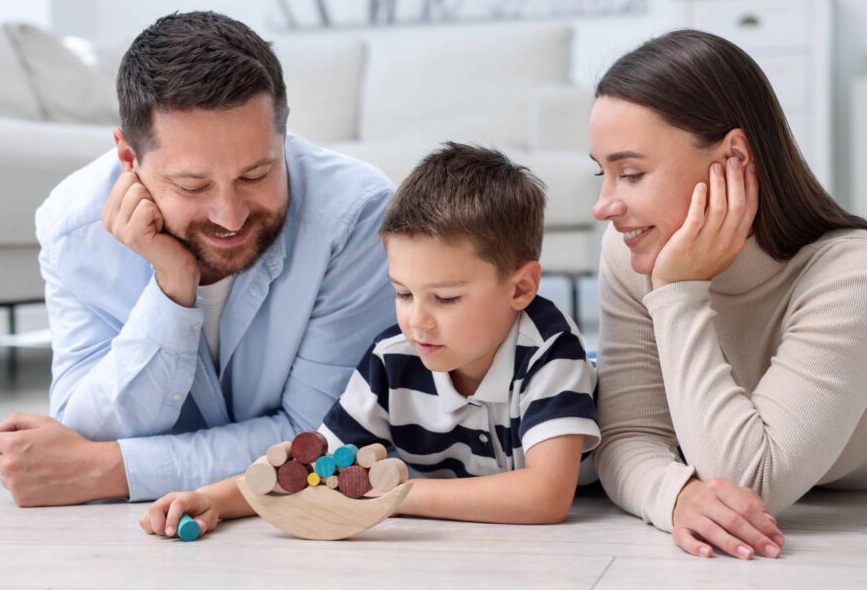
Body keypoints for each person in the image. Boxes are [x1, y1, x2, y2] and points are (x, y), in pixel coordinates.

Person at [589, 29, 867, 561]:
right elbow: (628, 433)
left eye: (630, 173)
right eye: (600, 172)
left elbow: (752, 479)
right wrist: (677, 496)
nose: (604, 206)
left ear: (734, 157)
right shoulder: (629, 250)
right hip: (837, 349)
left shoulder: (866, 276)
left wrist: (678, 291)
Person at [0, 11, 397, 506]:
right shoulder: (74, 230)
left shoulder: (355, 216)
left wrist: (111, 471)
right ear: (127, 157)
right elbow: (85, 425)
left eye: (257, 174)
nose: (230, 215)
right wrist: (173, 286)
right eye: (192, 185)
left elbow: (321, 440)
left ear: (283, 137)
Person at [138, 143, 600, 538]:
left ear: (519, 288)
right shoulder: (393, 356)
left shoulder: (550, 351)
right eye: (402, 293)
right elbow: (311, 468)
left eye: (445, 298)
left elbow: (545, 497)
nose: (417, 321)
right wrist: (212, 499)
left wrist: (392, 496)